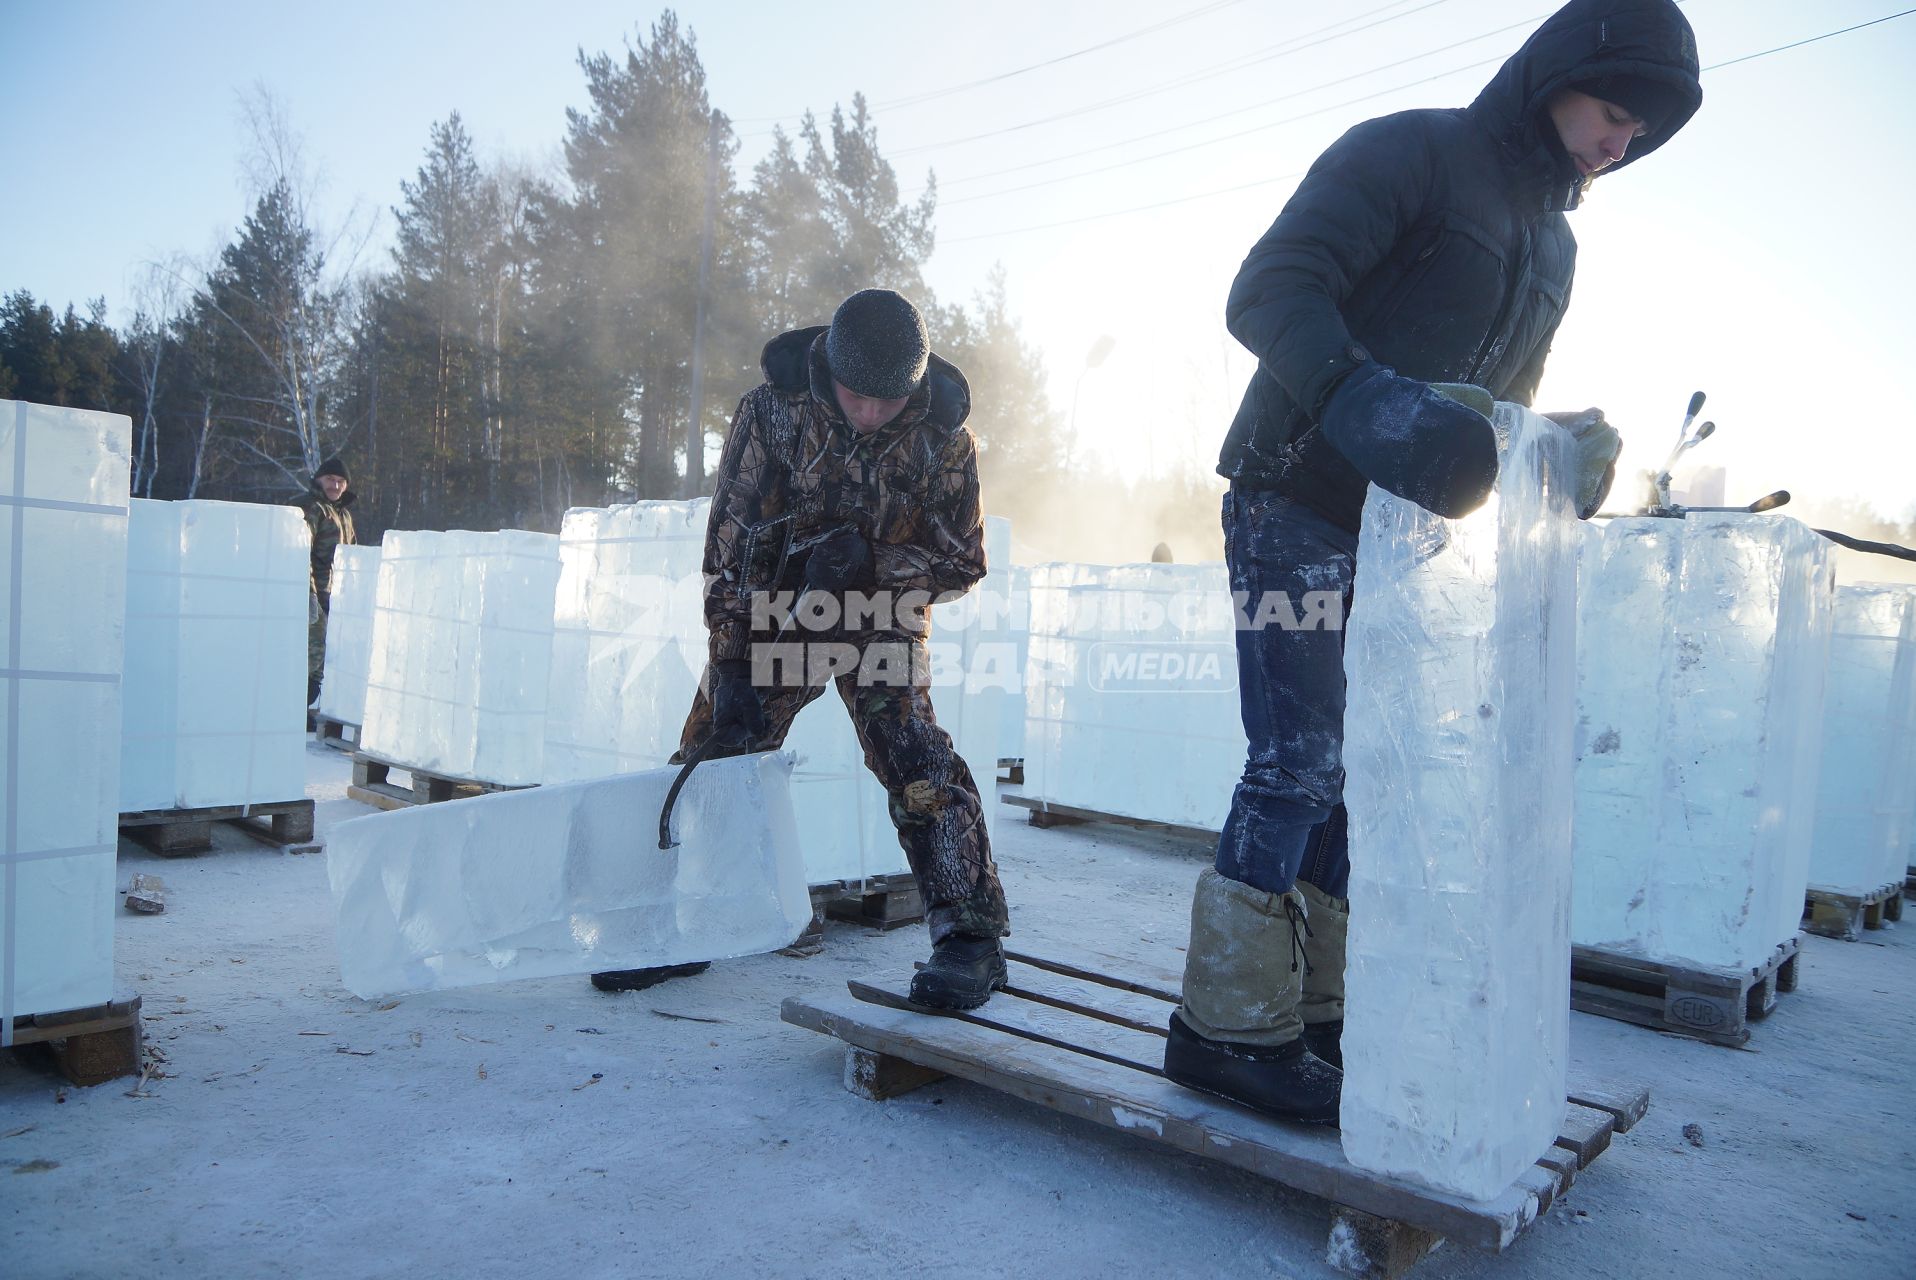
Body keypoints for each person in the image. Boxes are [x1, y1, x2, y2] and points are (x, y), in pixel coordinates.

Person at [1168, 0, 1702, 1124]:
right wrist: (1357, 393)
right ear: (1558, 73)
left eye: (1636, 137)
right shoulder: (1410, 150)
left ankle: (1306, 1012)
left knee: (1356, 769)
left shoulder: (1552, 244)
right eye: (1612, 114)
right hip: (1291, 496)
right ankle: (1220, 1027)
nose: (1618, 145)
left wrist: (1550, 447)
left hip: (1391, 530)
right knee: (1296, 761)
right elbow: (1266, 288)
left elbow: (1479, 410)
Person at [591, 289, 1010, 1010]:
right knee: (715, 752)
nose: (872, 413)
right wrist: (730, 662)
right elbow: (727, 548)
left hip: (881, 616)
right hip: (776, 613)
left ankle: (970, 940)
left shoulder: (944, 437)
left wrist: (873, 560)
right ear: (829, 374)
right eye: (857, 397)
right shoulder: (773, 412)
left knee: (915, 755)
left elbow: (964, 564)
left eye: (889, 400)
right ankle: (668, 928)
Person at [298, 456, 358, 709]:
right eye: (330, 480)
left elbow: (353, 554)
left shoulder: (343, 514)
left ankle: (302, 707)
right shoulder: (313, 508)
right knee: (311, 654)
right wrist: (309, 593)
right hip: (312, 593)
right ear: (319, 480)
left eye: (341, 481)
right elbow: (301, 552)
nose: (336, 486)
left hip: (334, 595)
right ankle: (292, 707)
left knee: (324, 657)